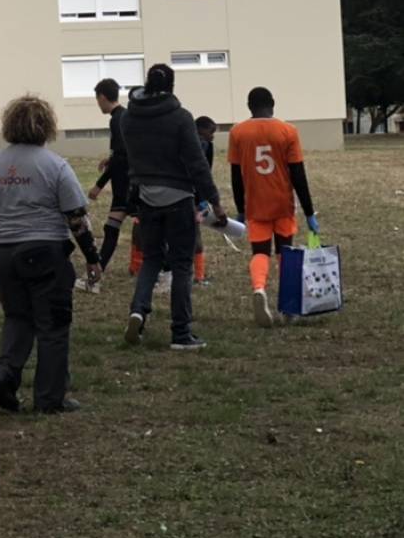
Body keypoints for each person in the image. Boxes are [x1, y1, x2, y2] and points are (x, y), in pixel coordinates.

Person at [0, 95, 101, 415]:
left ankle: (5, 372)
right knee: (53, 324)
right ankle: (50, 397)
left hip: (1, 252)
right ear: (46, 125)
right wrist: (91, 256)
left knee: (18, 317)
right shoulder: (54, 165)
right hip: (44, 251)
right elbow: (76, 216)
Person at [120, 64, 223, 351]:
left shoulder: (128, 118)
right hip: (178, 198)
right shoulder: (180, 118)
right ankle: (181, 333)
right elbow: (196, 163)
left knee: (151, 259)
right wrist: (214, 200)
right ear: (173, 86)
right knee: (181, 264)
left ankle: (138, 311)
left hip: (145, 197)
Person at [227, 87, 319, 328]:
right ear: (273, 104)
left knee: (259, 252)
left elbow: (236, 175)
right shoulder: (287, 131)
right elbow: (298, 174)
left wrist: (241, 209)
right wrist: (309, 212)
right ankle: (289, 308)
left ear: (249, 106)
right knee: (285, 252)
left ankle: (259, 288)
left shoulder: (238, 132)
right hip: (283, 203)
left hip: (256, 204)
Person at [86, 78, 134, 286]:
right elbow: (124, 150)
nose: (98, 105)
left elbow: (122, 156)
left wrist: (99, 184)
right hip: (126, 182)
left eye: (97, 100)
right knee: (111, 227)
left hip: (126, 184)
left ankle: (166, 270)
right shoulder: (124, 116)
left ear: (103, 97)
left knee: (145, 230)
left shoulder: (117, 119)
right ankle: (99, 270)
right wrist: (111, 157)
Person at [192, 117, 217, 286]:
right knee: (195, 238)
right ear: (201, 130)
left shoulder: (186, 142)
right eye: (211, 132)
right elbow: (201, 174)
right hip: (192, 197)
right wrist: (201, 199)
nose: (212, 136)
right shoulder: (202, 145)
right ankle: (198, 276)